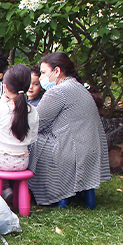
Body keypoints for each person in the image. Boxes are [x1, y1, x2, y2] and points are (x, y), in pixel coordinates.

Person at [27, 52, 111, 207]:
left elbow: (36, 123)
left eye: (44, 72)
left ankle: (34, 190)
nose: (41, 77)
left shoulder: (58, 91)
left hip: (70, 153)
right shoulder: (79, 87)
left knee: (31, 140)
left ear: (57, 71)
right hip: (91, 151)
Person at [0, 64, 39, 172]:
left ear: (5, 87)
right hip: (23, 162)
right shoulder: (33, 110)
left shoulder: (2, 107)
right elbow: (33, 138)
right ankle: (6, 186)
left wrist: (2, 100)